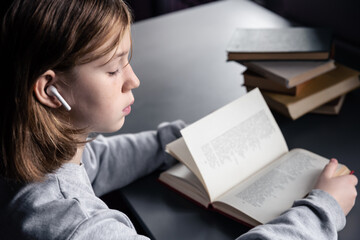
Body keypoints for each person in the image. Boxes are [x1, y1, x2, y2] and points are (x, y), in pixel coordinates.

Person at [0, 0, 357, 239]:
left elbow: (93, 161)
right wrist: (322, 211)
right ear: (49, 90)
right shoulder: (76, 226)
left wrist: (178, 141)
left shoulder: (29, 144)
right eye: (111, 69)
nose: (132, 79)